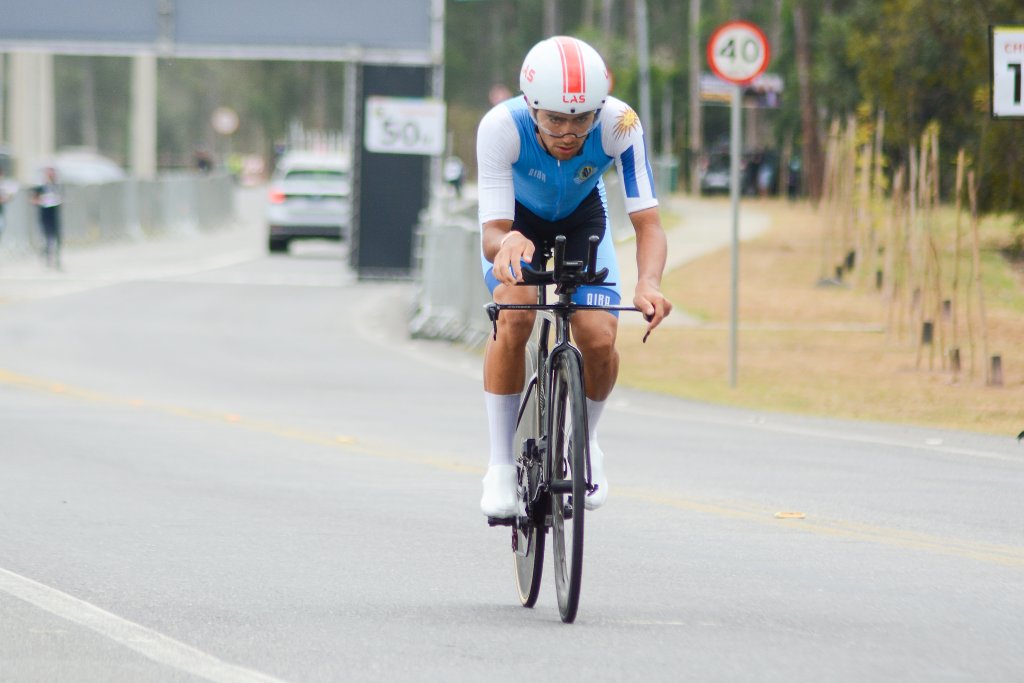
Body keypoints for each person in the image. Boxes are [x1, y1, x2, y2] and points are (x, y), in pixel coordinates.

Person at [477, 36, 672, 518]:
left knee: (599, 337)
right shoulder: (501, 126)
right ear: (531, 107)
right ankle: (499, 466)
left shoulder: (621, 124)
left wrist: (648, 283)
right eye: (554, 120)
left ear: (598, 110)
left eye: (582, 119)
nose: (568, 132)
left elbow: (648, 224)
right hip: (517, 224)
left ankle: (585, 444)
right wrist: (508, 243)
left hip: (584, 220)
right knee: (516, 316)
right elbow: (492, 234)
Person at [32, 167, 63, 269]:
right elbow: (33, 199)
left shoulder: (57, 186)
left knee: (56, 237)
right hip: (44, 214)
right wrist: (41, 201)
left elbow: (61, 197)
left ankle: (57, 260)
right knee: (46, 238)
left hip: (54, 214)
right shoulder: (41, 187)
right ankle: (47, 259)